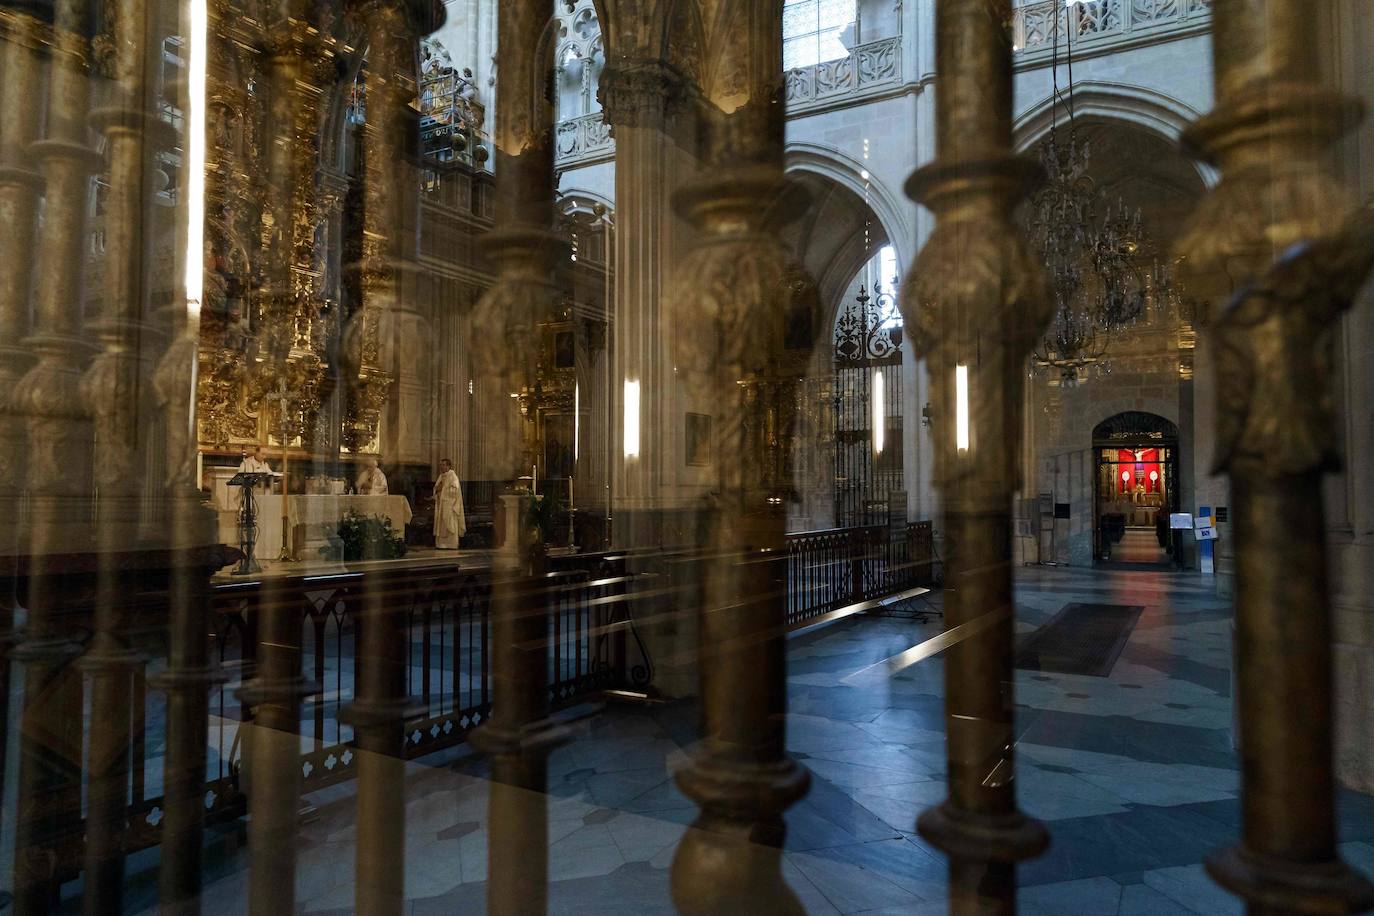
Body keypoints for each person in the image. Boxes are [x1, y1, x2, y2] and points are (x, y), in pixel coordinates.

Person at [433, 458, 465, 549]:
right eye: (440, 465)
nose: (441, 467)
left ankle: (451, 544)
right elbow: (436, 487)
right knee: (441, 523)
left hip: (450, 504)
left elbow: (455, 490)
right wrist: (437, 490)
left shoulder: (452, 476)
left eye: (443, 465)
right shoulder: (441, 476)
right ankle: (441, 544)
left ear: (448, 466)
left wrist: (443, 489)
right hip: (442, 503)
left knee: (449, 522)